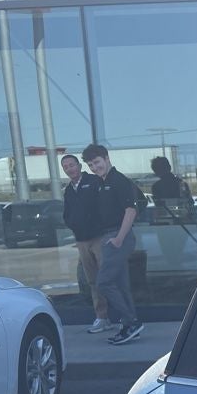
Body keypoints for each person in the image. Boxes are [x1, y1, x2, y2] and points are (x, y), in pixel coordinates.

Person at [82, 143, 145, 345]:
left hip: (119, 237)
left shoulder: (119, 180)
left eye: (97, 162)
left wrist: (119, 238)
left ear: (107, 158)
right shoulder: (102, 182)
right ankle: (130, 326)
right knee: (120, 284)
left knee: (104, 283)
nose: (95, 167)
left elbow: (131, 210)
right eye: (91, 165)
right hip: (108, 236)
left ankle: (132, 321)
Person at [60, 154, 112, 334]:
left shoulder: (94, 181)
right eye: (65, 167)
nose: (69, 169)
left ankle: (125, 316)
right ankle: (102, 317)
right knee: (93, 280)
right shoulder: (68, 190)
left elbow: (106, 206)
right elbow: (67, 214)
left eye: (72, 165)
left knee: (108, 277)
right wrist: (73, 225)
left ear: (79, 166)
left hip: (99, 237)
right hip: (81, 241)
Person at [150, 156, 194, 269]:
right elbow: (190, 203)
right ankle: (177, 269)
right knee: (177, 252)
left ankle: (175, 269)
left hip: (164, 224)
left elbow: (158, 205)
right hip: (180, 222)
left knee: (169, 253)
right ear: (169, 167)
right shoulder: (181, 184)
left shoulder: (156, 187)